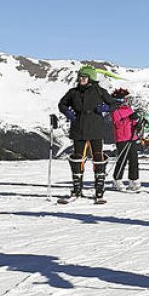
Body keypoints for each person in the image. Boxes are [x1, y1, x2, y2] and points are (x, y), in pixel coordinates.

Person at [58, 66, 118, 203]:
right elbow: (62, 104)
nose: (81, 79)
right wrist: (68, 113)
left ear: (90, 79)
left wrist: (107, 108)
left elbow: (115, 104)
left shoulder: (100, 91)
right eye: (80, 77)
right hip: (78, 127)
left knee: (98, 157)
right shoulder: (73, 92)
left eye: (84, 77)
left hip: (96, 127)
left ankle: (99, 190)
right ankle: (77, 190)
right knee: (77, 158)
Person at [110, 88, 143, 192]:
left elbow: (131, 122)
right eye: (126, 99)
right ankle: (117, 180)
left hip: (131, 137)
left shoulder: (128, 109)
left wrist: (138, 124)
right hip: (122, 138)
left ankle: (134, 180)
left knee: (134, 160)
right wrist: (130, 118)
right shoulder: (115, 110)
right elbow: (118, 124)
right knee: (122, 159)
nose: (128, 101)